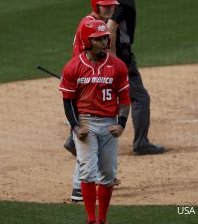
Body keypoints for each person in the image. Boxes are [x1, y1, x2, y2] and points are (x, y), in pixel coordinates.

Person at [59, 20, 130, 224]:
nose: (104, 42)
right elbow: (68, 101)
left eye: (104, 38)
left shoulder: (117, 66)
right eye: (98, 39)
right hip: (86, 124)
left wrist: (122, 123)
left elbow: (124, 99)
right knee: (88, 171)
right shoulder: (74, 67)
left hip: (109, 124)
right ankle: (91, 219)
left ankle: (103, 219)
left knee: (108, 174)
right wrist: (75, 127)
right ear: (87, 41)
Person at [64, 0, 120, 203]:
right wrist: (88, 81)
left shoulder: (99, 23)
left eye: (112, 5)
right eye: (106, 5)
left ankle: (94, 175)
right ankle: (79, 188)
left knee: (87, 138)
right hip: (85, 84)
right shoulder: (88, 24)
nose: (111, 8)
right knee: (86, 135)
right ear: (96, 6)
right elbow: (86, 57)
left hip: (89, 81)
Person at [107, 0, 166, 155]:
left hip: (101, 53)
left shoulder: (107, 2)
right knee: (140, 98)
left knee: (100, 95)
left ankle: (74, 141)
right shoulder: (125, 2)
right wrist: (113, 58)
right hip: (120, 57)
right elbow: (111, 26)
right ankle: (141, 143)